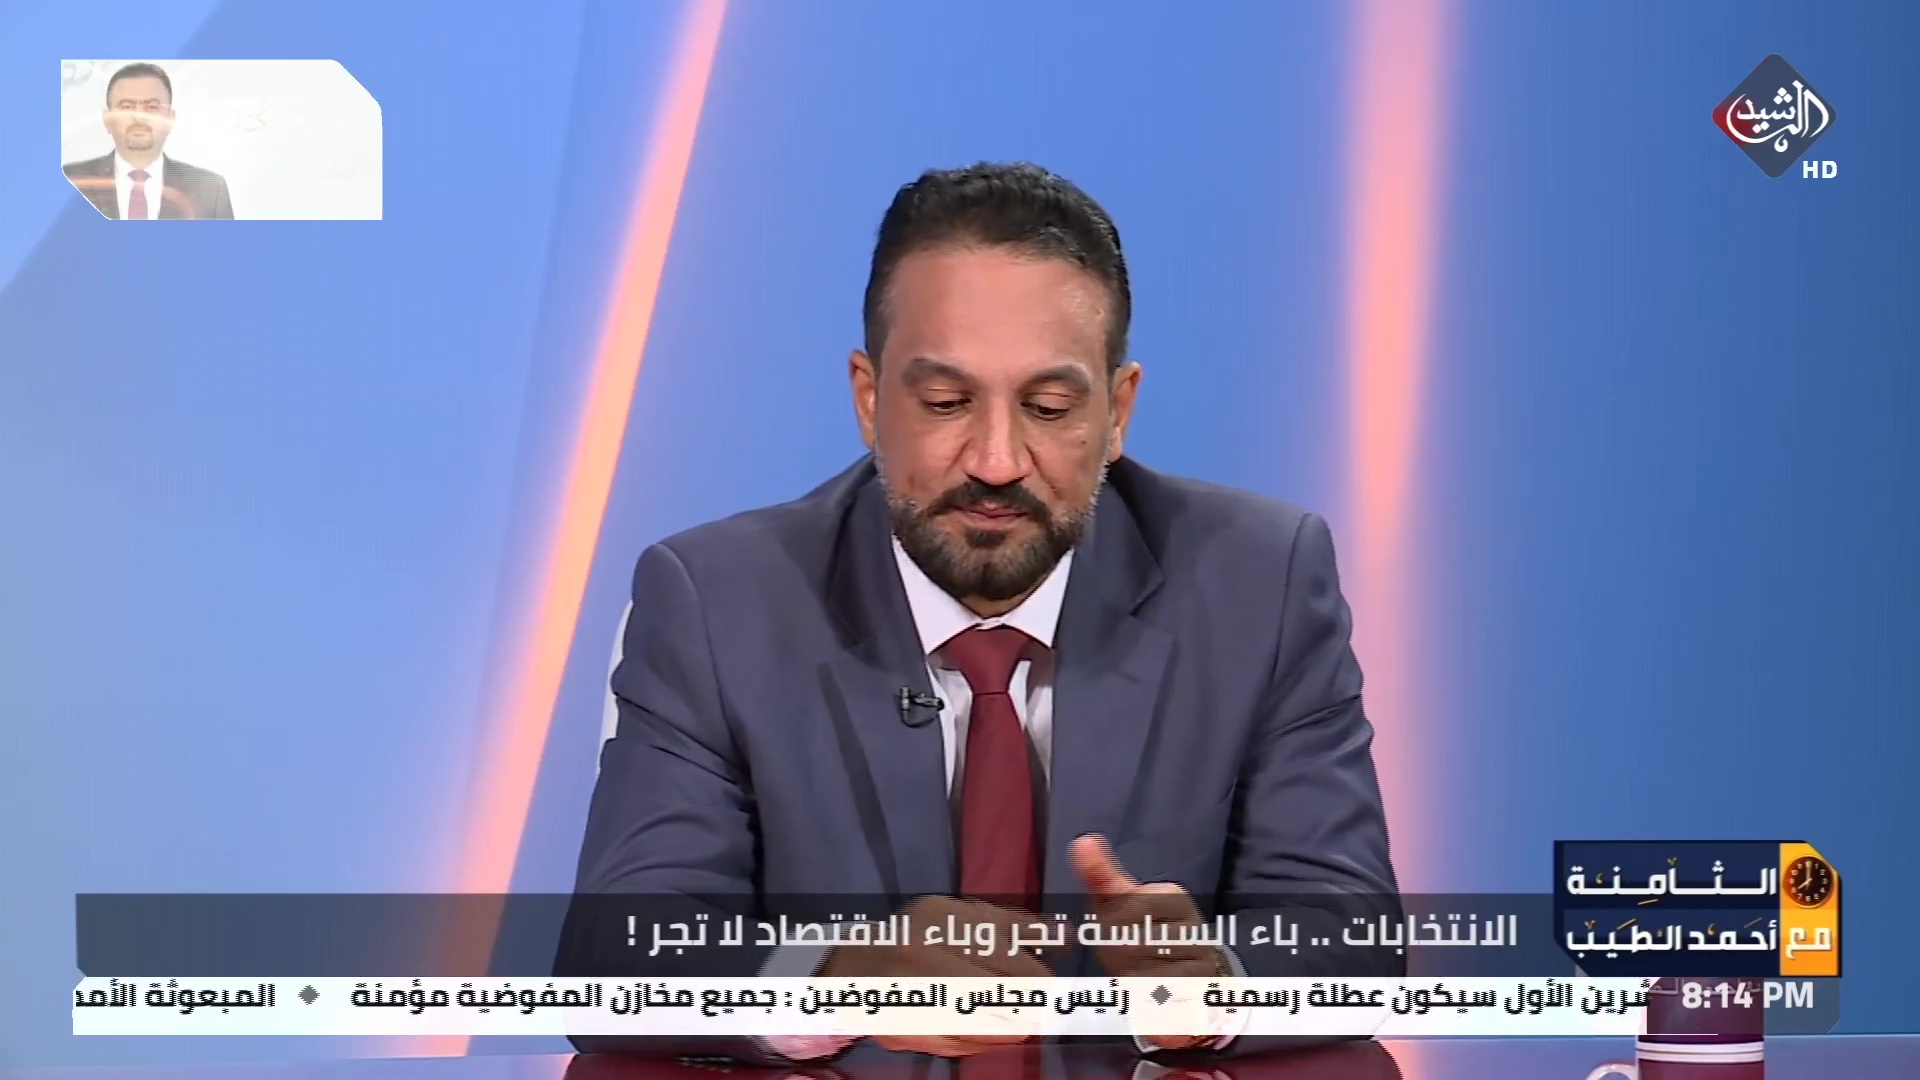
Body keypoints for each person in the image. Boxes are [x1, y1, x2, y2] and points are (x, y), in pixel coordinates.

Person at [564, 162, 1399, 1063]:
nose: (997, 461)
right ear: (868, 399)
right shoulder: (715, 601)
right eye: (946, 403)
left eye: (1048, 407)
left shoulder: (1261, 583)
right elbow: (620, 955)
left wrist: (1213, 983)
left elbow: (1348, 929)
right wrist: (834, 978)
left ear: (1118, 412)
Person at [63, 63, 234, 220]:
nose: (139, 117)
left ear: (170, 120)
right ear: (108, 120)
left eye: (152, 107)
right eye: (127, 107)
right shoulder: (69, 181)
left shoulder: (210, 190)